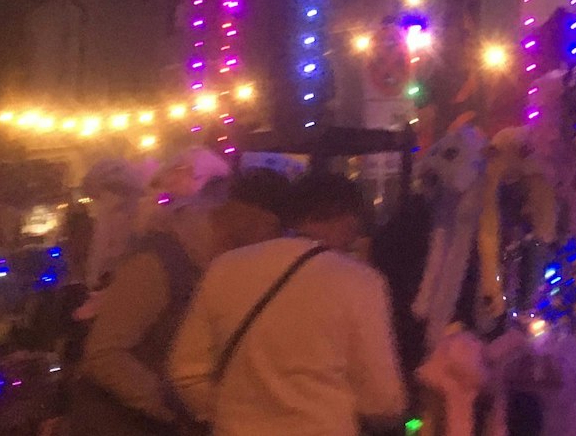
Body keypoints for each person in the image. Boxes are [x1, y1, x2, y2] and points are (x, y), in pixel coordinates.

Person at [169, 173, 405, 436]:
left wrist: (234, 414)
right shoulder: (360, 280)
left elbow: (186, 372)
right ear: (350, 221)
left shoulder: (225, 267)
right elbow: (383, 398)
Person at [72, 170, 292, 435]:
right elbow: (105, 353)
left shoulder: (222, 264)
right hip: (127, 423)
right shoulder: (158, 262)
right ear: (246, 216)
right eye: (274, 228)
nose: (273, 240)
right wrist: (174, 405)